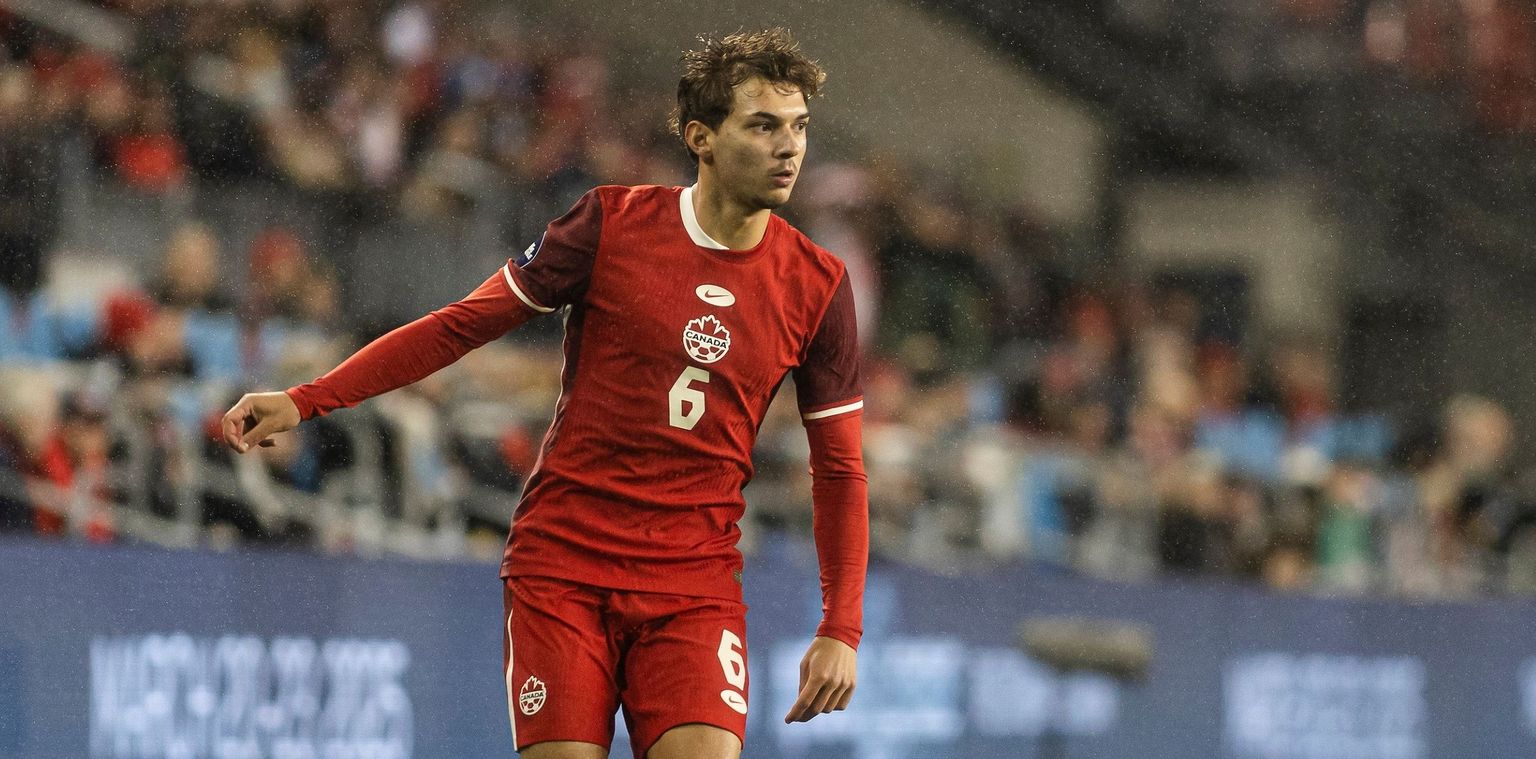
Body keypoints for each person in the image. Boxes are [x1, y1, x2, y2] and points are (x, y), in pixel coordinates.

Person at [221, 28, 867, 759]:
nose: (789, 148)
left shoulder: (818, 287)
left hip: (694, 582)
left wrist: (840, 629)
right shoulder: (610, 224)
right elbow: (461, 326)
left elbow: (839, 469)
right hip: (564, 569)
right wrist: (307, 399)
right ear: (702, 138)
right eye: (763, 126)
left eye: (798, 128)